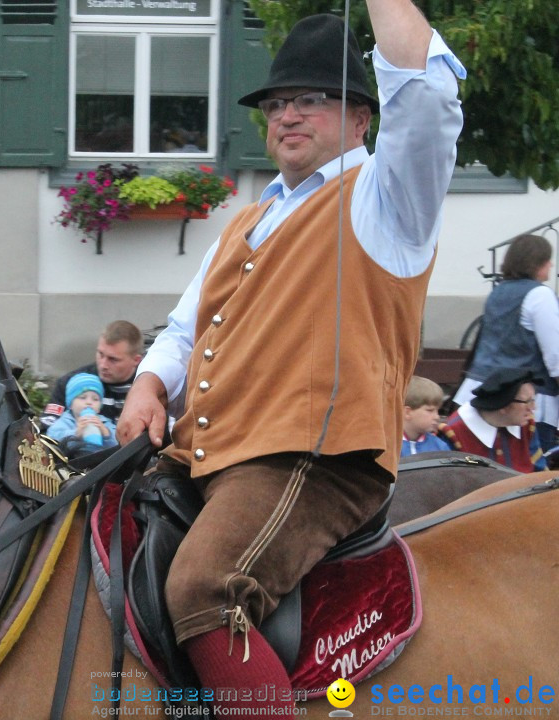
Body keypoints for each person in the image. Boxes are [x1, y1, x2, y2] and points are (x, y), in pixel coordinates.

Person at [116, 3, 464, 714]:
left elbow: (425, 96)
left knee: (205, 588)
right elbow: (185, 329)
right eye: (278, 103)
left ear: (362, 117)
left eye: (312, 98)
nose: (288, 115)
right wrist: (148, 385)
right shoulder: (248, 216)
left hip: (315, 459)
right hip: (211, 453)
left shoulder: (387, 198)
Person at [453, 234, 559, 452]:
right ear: (537, 263)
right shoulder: (540, 295)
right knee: (528, 477)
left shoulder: (498, 292)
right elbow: (555, 355)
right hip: (523, 402)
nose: (551, 264)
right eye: (548, 259)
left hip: (480, 391)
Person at [40, 320, 143, 430]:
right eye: (100, 354)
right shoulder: (71, 384)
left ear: (136, 360)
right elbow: (46, 432)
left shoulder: (151, 387)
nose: (103, 365)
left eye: (113, 359)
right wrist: (75, 436)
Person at [439, 368, 545, 473]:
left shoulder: (526, 425)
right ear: (503, 404)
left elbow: (541, 473)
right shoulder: (454, 433)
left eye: (533, 400)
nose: (533, 407)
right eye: (527, 401)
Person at [46, 372, 118, 455]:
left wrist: (106, 433)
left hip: (100, 462)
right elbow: (52, 438)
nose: (89, 402)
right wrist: (75, 434)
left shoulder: (104, 422)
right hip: (74, 461)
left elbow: (119, 441)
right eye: (82, 398)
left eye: (95, 399)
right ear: (71, 405)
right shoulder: (65, 422)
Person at [401, 375, 448, 456]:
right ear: (407, 412)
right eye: (430, 410)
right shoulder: (386, 447)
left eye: (437, 411)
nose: (437, 417)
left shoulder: (440, 447)